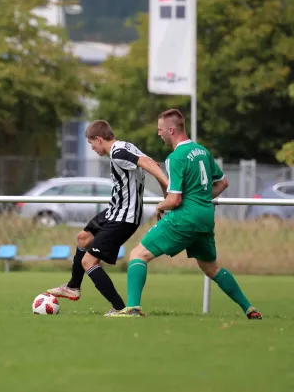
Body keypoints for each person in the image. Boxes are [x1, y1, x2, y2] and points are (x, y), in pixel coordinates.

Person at [113, 109, 262, 319]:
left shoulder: (175, 158)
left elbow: (174, 200)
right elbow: (223, 183)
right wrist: (200, 198)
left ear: (171, 130)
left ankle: (133, 308)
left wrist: (160, 207)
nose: (158, 134)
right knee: (211, 268)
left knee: (138, 255)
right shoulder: (202, 151)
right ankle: (249, 308)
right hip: (205, 217)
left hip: (185, 217)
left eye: (160, 130)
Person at [46, 120, 168, 316]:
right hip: (114, 211)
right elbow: (151, 163)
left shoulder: (119, 152)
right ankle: (73, 286)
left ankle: (120, 308)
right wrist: (165, 196)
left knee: (88, 262)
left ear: (99, 139)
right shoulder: (125, 146)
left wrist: (168, 190)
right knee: (83, 238)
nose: (92, 148)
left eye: (91, 143)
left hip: (123, 217)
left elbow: (147, 164)